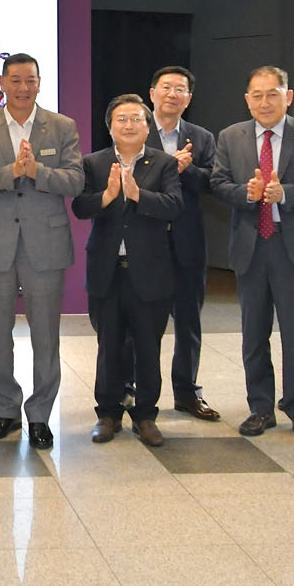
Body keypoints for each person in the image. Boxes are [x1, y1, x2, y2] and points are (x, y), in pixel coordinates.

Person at [0, 52, 85, 450]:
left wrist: (37, 172)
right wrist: (11, 172)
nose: (23, 87)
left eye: (30, 80)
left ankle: (40, 415)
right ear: (2, 83)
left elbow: (75, 181)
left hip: (45, 245)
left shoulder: (62, 126)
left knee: (45, 334)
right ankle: (6, 411)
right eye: (15, 80)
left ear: (39, 83)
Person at [210, 65, 294, 446]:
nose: (265, 102)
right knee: (254, 332)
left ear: (288, 97)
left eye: (272, 94)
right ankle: (260, 407)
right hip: (251, 247)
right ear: (247, 100)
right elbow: (218, 182)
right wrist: (245, 194)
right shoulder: (231, 136)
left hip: (293, 246)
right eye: (257, 95)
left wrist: (287, 194)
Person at [73, 94, 183, 447]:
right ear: (110, 127)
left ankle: (146, 416)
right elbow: (80, 206)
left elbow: (174, 206)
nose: (129, 125)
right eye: (121, 119)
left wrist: (138, 195)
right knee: (109, 346)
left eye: (137, 118)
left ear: (148, 127)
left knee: (148, 346)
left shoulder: (164, 163)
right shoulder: (93, 163)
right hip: (107, 271)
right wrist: (107, 197)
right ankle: (107, 414)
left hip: (150, 272)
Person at [146, 65, 220, 420]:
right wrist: (166, 165)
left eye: (180, 89)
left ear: (189, 98)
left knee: (189, 320)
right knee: (143, 322)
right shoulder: (134, 129)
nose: (172, 94)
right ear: (152, 93)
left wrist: (186, 169)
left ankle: (187, 392)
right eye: (166, 87)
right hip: (146, 241)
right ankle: (135, 391)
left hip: (188, 241)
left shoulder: (201, 137)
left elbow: (214, 182)